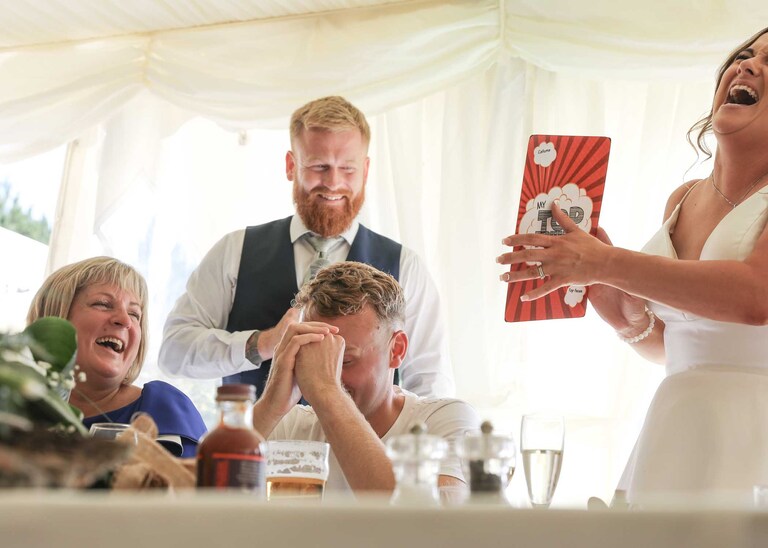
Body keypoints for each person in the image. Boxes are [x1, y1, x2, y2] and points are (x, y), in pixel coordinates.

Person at [498, 26, 768, 503]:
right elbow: (684, 348)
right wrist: (628, 319)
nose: (747, 65)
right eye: (744, 55)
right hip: (677, 425)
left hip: (755, 432)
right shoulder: (682, 199)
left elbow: (753, 298)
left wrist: (605, 262)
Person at [159, 95, 454, 398]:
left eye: (348, 169)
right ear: (291, 165)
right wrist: (262, 343)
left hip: (364, 445)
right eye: (319, 166)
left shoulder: (405, 266)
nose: (333, 182)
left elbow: (431, 383)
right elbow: (173, 352)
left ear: (366, 171)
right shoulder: (234, 251)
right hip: (256, 442)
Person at [252, 261, 479, 493]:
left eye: (346, 360)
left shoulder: (445, 420)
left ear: (396, 350)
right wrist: (271, 404)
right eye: (317, 356)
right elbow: (213, 498)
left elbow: (426, 523)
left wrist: (329, 392)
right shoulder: (291, 425)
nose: (327, 372)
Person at [27, 257, 207, 458]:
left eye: (134, 314)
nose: (124, 320)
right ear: (54, 320)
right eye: (103, 304)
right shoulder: (13, 406)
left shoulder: (162, 408)